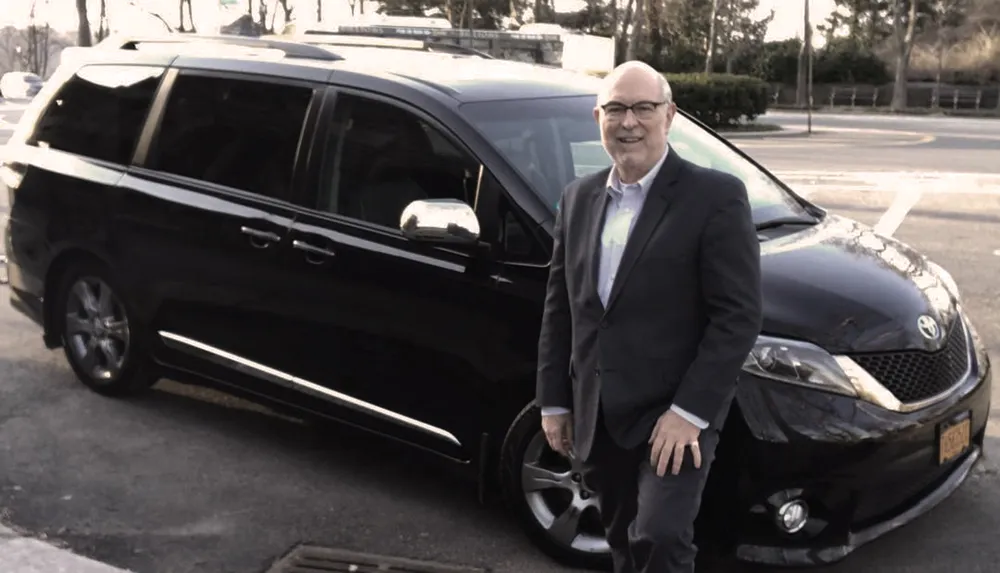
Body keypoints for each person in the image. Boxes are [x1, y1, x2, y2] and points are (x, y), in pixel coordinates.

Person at [535, 60, 764, 573]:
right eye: (616, 108)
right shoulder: (578, 199)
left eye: (643, 107)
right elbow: (561, 308)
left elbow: (738, 317)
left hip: (675, 413)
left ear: (669, 115)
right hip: (600, 410)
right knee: (620, 536)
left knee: (660, 536)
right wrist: (553, 400)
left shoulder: (715, 197)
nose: (629, 121)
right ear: (598, 117)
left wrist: (688, 413)